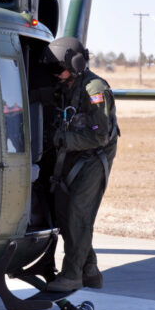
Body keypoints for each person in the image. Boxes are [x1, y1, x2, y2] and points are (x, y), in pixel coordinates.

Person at [34, 36, 119, 293]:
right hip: (73, 154)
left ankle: (72, 275)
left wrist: (62, 139)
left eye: (59, 68)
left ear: (75, 64)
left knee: (78, 216)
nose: (56, 75)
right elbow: (46, 95)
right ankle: (89, 268)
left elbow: (99, 135)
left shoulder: (94, 89)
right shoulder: (67, 85)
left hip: (94, 157)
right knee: (63, 213)